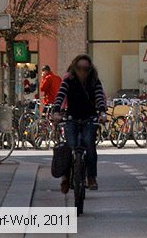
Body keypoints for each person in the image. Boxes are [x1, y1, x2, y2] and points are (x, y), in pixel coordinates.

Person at [51, 55, 107, 192]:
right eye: (80, 68)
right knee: (70, 145)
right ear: (75, 68)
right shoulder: (69, 81)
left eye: (86, 69)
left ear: (90, 69)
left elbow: (99, 97)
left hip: (90, 118)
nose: (83, 71)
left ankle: (91, 177)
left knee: (89, 144)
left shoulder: (94, 81)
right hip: (72, 117)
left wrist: (101, 112)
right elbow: (60, 95)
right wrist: (56, 111)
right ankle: (65, 177)